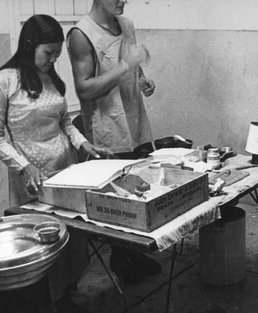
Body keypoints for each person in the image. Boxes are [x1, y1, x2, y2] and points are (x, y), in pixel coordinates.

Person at [0, 15, 112, 307]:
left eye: (57, 53)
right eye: (49, 53)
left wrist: (84, 144)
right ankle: (43, 305)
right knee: (42, 241)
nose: (53, 59)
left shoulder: (51, 78)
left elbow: (65, 122)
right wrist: (24, 166)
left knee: (71, 237)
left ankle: (66, 294)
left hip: (65, 168)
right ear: (30, 44)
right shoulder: (3, 81)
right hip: (32, 176)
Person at [67, 0, 161, 285]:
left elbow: (133, 68)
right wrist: (124, 67)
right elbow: (84, 89)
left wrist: (143, 80)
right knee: (117, 197)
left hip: (134, 120)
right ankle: (120, 258)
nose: (124, 1)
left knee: (141, 187)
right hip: (107, 127)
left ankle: (135, 252)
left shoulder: (127, 25)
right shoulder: (81, 34)